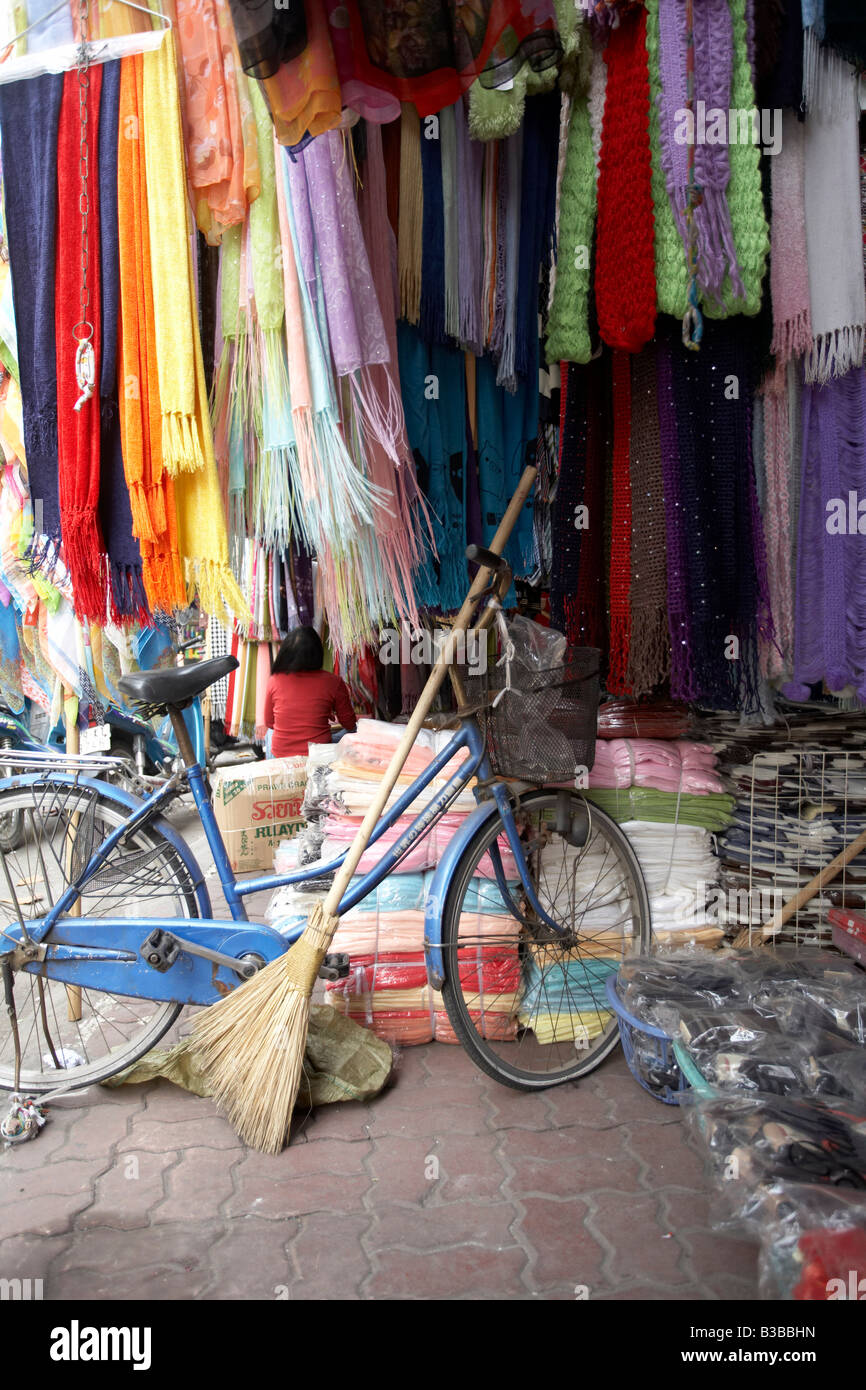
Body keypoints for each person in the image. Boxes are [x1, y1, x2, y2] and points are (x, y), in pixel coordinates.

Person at [264, 626, 357, 758]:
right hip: (318, 753)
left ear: (285, 653)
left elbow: (269, 723)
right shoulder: (333, 682)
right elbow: (350, 724)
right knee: (350, 733)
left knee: (269, 733)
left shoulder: (274, 680)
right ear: (318, 653)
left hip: (282, 755)